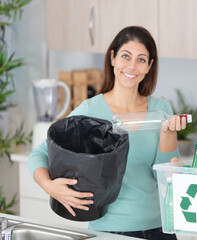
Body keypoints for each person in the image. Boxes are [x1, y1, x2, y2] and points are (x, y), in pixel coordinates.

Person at [28, 26, 185, 240]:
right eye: (125, 56)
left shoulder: (161, 110)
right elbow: (40, 153)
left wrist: (168, 135)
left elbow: (163, 178)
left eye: (141, 59)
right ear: (112, 58)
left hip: (159, 228)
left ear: (149, 66)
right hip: (109, 230)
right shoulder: (90, 110)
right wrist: (51, 187)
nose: (132, 66)